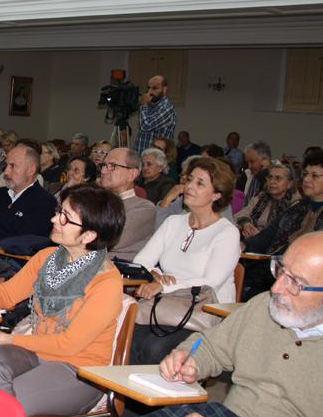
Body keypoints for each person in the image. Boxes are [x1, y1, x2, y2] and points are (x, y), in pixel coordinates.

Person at [107, 231, 323, 417]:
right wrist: (190, 359)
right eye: (280, 270)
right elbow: (211, 345)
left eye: (295, 282)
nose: (276, 288)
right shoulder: (264, 306)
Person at [0, 184, 125, 416]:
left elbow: (69, 343)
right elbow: (6, 294)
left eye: (66, 217)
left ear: (89, 235)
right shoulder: (47, 259)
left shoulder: (107, 281)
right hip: (39, 353)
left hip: (80, 370)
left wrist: (11, 340)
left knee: (4, 400)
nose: (54, 219)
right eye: (58, 211)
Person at [130, 157, 240, 363]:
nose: (189, 186)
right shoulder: (173, 222)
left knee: (155, 348)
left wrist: (162, 286)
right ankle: (124, 393)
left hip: (203, 311)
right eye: (189, 180)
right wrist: (154, 274)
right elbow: (141, 260)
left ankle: (154, 394)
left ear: (217, 194)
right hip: (164, 307)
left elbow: (211, 281)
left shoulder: (227, 233)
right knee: (125, 333)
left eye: (199, 183)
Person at [241, 152, 323, 298]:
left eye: (315, 175)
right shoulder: (297, 209)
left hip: (307, 278)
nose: (307, 179)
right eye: (305, 174)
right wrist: (243, 246)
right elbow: (266, 236)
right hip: (277, 268)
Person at [0, 143, 56, 247]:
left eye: (13, 166)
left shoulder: (45, 202)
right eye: (6, 165)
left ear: (31, 170)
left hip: (11, 261)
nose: (6, 172)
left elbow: (23, 242)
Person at [98, 147, 156, 260]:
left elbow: (111, 239)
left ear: (132, 174)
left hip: (117, 270)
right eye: (104, 165)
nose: (103, 171)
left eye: (112, 166)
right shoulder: (94, 199)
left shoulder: (144, 208)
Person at [234, 161, 301, 239]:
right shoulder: (262, 197)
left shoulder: (295, 204)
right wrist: (246, 224)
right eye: (270, 177)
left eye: (278, 178)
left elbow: (288, 232)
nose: (272, 182)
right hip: (253, 241)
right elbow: (241, 214)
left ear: (290, 184)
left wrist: (261, 235)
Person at [136, 74, 176, 154]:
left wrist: (144, 105)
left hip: (156, 160)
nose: (150, 92)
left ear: (164, 89)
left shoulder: (166, 108)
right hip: (142, 157)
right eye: (148, 88)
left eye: (154, 88)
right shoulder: (150, 105)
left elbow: (145, 126)